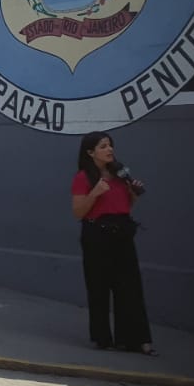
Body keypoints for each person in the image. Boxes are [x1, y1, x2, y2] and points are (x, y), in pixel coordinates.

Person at [70, 131, 153, 354]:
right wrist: (95, 193)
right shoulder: (83, 177)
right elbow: (78, 212)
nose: (109, 150)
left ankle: (135, 340)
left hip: (122, 232)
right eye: (103, 146)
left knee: (130, 286)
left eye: (110, 145)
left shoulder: (120, 172)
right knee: (99, 286)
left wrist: (133, 193)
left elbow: (125, 205)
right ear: (91, 152)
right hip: (97, 234)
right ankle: (102, 338)